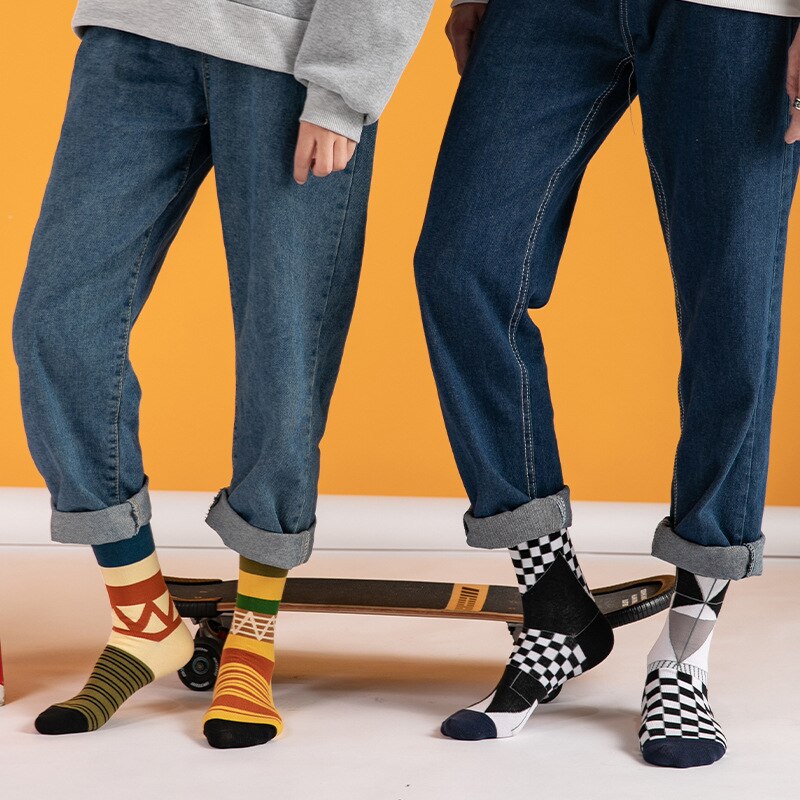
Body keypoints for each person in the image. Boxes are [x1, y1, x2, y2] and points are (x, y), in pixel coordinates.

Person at [13, 0, 434, 749]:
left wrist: (344, 87)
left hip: (289, 53)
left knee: (286, 345)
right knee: (56, 322)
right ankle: (144, 619)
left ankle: (254, 630)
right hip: (134, 34)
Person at [415, 0, 800, 768]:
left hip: (737, 13)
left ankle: (685, 652)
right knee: (461, 264)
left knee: (730, 305)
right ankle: (555, 605)